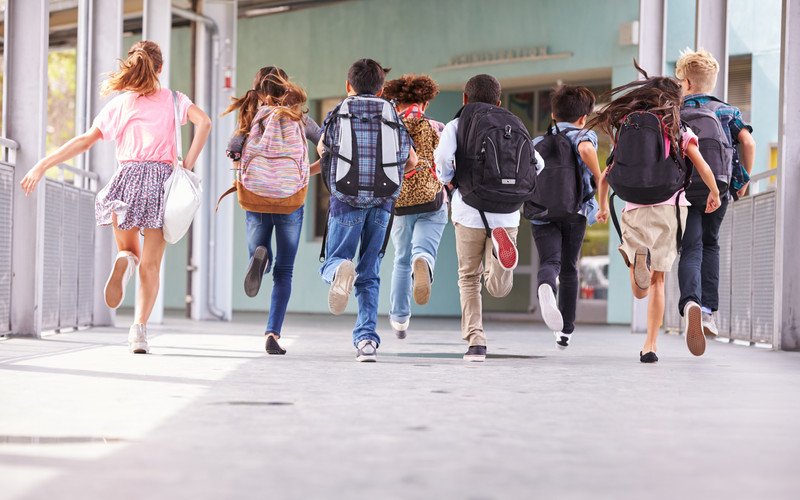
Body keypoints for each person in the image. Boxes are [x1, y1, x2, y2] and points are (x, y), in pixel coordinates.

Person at [20, 40, 211, 354]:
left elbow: (85, 140)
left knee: (129, 252)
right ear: (160, 68)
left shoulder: (121, 104)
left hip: (125, 180)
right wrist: (186, 164)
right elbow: (204, 122)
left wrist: (43, 163)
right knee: (151, 267)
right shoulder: (174, 99)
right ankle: (139, 331)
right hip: (161, 184)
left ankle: (124, 260)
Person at [590, 62, 721, 363]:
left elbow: (604, 176)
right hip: (669, 206)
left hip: (634, 207)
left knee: (639, 290)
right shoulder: (678, 127)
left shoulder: (627, 126)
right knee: (659, 280)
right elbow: (701, 164)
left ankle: (640, 266)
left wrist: (601, 208)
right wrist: (713, 192)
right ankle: (650, 345)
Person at [434, 74, 542, 362]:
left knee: (469, 278)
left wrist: (448, 181)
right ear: (499, 100)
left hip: (469, 210)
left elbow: (443, 158)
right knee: (498, 287)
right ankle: (502, 261)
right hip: (507, 215)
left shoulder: (458, 124)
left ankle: (476, 341)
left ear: (465, 99)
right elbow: (538, 164)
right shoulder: (514, 123)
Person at [316, 59, 417, 362]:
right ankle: (366, 341)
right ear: (382, 88)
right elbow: (410, 160)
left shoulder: (339, 111)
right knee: (370, 272)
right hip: (383, 203)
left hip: (345, 200)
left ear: (349, 86)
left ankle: (338, 271)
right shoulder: (392, 114)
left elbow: (323, 149)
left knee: (333, 260)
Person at [222, 66, 321, 355]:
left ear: (259, 92)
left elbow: (234, 153)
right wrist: (307, 172)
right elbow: (328, 147)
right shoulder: (300, 118)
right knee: (285, 272)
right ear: (286, 89)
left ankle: (259, 257)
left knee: (259, 249)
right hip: (291, 198)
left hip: (256, 196)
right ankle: (273, 333)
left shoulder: (250, 118)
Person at [675, 49, 756, 348]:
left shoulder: (675, 112)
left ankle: (690, 303)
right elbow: (748, 141)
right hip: (718, 189)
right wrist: (742, 179)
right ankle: (708, 312)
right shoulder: (728, 111)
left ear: (685, 82)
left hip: (684, 190)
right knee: (711, 245)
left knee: (690, 248)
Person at [527, 85, 602, 350]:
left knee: (550, 262)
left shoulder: (537, 142)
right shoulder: (584, 135)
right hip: (574, 211)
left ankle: (546, 285)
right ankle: (565, 331)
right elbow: (585, 151)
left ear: (553, 115)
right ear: (583, 117)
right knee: (570, 268)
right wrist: (600, 176)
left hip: (542, 211)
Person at [381, 74, 447, 340]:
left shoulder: (390, 128)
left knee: (400, 259)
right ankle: (424, 261)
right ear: (426, 101)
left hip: (399, 203)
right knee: (423, 250)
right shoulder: (436, 127)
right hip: (432, 200)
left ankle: (399, 319)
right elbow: (447, 165)